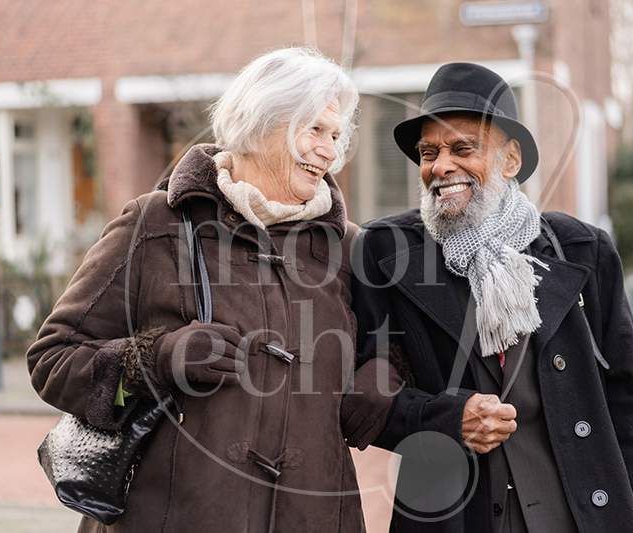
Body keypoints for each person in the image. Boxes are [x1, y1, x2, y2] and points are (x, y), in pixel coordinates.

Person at [28, 46, 391, 533]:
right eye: (314, 130)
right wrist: (156, 359)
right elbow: (52, 359)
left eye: (335, 134)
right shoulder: (156, 222)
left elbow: (398, 346)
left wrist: (388, 373)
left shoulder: (348, 249)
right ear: (263, 125)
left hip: (315, 516)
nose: (330, 150)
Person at [351, 63, 633, 532]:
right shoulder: (386, 254)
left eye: (463, 148)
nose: (441, 166)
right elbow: (362, 397)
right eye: (428, 152)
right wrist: (447, 419)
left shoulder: (584, 251)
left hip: (580, 515)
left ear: (510, 160)